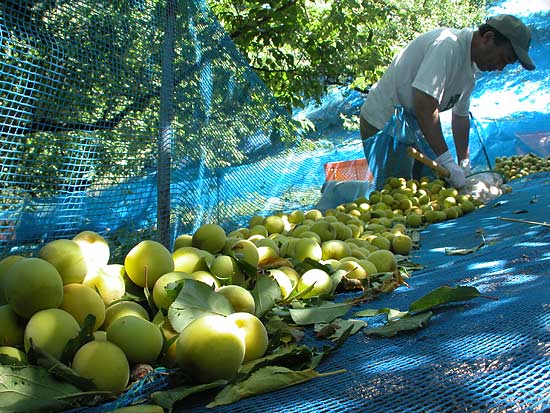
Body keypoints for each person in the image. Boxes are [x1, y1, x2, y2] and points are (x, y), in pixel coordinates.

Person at [359, 14, 535, 189]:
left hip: (411, 126)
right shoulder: (448, 46)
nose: (499, 67)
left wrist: (463, 163)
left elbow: (460, 116)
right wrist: (446, 160)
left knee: (433, 187)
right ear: (488, 38)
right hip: (385, 125)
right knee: (399, 192)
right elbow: (424, 105)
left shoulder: (470, 70)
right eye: (503, 59)